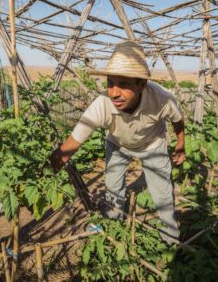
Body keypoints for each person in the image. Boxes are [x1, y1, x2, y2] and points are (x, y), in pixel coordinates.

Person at [50, 41, 185, 244]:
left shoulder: (162, 99)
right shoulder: (102, 106)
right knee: (113, 191)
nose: (114, 92)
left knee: (163, 195)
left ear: (141, 84)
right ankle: (111, 230)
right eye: (110, 83)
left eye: (124, 84)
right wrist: (42, 173)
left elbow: (177, 120)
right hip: (118, 145)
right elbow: (69, 148)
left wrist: (180, 145)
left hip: (152, 144)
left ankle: (171, 243)